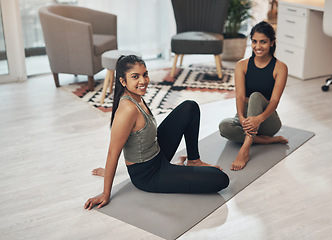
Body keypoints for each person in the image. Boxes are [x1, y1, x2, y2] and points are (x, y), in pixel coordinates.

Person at [84, 55, 229, 210]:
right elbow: (113, 152)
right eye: (135, 77)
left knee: (190, 107)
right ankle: (177, 168)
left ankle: (194, 160)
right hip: (148, 175)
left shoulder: (137, 95)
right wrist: (106, 193)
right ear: (123, 81)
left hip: (157, 152)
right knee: (220, 179)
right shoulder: (127, 109)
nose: (143, 81)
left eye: (145, 74)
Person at [219, 21, 289, 171]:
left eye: (263, 42)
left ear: (272, 43)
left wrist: (259, 118)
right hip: (247, 118)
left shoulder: (280, 67)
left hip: (267, 120)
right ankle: (264, 141)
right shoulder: (242, 65)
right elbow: (239, 97)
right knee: (224, 127)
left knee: (256, 96)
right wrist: (242, 117)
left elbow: (275, 100)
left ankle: (245, 149)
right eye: (254, 41)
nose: (258, 46)